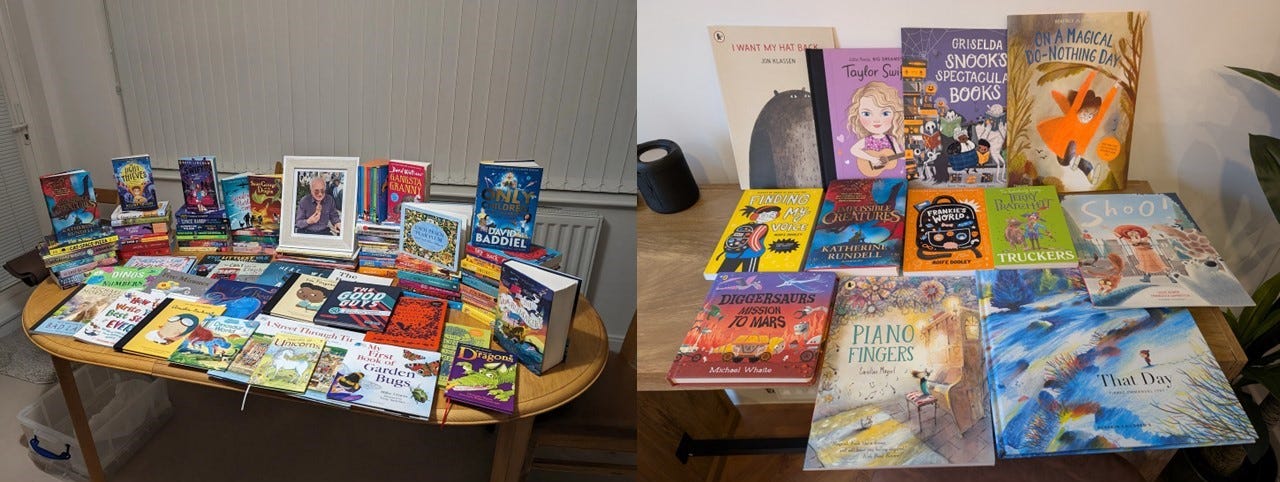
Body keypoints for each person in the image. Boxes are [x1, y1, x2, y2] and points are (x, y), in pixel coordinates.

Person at [846, 81, 904, 177]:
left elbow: (900, 155)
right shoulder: (868, 140)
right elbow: (853, 150)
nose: (876, 120)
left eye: (885, 113)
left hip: (892, 176)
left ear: (895, 115)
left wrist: (911, 154)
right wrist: (872, 159)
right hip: (871, 172)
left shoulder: (891, 139)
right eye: (867, 114)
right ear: (858, 116)